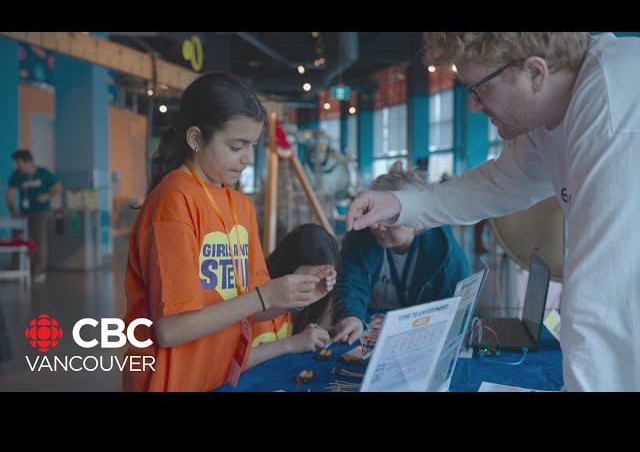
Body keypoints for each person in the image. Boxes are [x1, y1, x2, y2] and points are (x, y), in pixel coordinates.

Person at [345, 32, 640, 392]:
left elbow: (602, 298)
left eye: (478, 88)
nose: (473, 106)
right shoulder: (553, 109)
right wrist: (403, 204)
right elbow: (502, 182)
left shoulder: (612, 111)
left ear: (535, 73)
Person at [122, 71, 336, 392]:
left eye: (252, 146)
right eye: (237, 146)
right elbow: (170, 329)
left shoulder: (239, 204)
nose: (248, 159)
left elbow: (248, 310)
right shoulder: (173, 201)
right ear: (196, 139)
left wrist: (295, 297)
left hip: (222, 376)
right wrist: (264, 296)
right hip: (174, 380)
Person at [333, 160, 469, 344]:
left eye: (391, 220)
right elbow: (350, 281)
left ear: (418, 223)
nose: (378, 226)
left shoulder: (446, 254)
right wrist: (351, 315)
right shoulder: (361, 234)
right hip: (370, 330)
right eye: (375, 215)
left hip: (422, 336)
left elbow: (453, 310)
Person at [250, 223, 339, 360]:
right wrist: (291, 344)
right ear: (290, 266)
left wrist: (307, 336)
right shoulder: (252, 297)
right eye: (310, 278)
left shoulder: (295, 308)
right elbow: (227, 364)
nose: (311, 288)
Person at [6, 149, 62, 283]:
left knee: (39, 240)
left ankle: (39, 271)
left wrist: (47, 195)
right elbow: (9, 195)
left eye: (19, 163)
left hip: (41, 211)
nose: (17, 166)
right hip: (23, 211)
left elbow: (57, 188)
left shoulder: (43, 173)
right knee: (17, 238)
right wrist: (14, 210)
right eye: (16, 163)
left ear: (28, 162)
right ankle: (15, 271)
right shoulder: (16, 175)